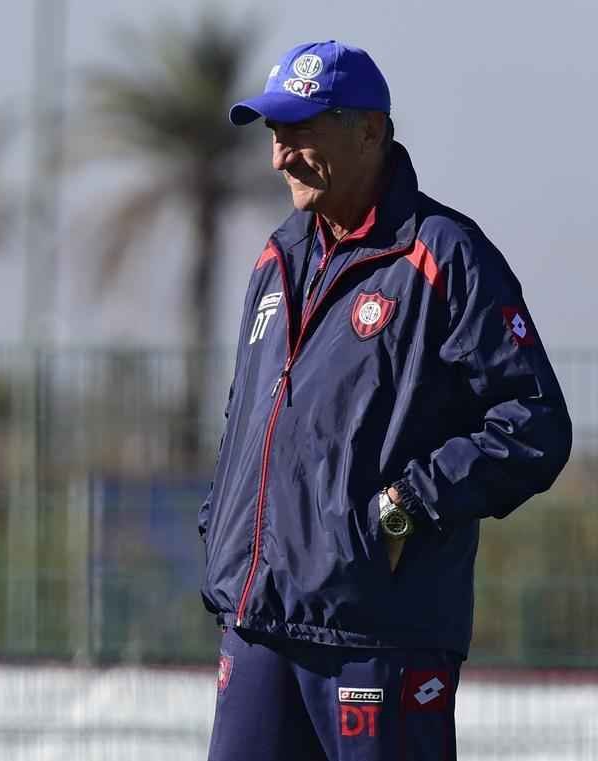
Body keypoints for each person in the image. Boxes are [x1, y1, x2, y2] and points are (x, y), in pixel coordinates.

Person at [200, 40, 572, 760]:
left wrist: (405, 506)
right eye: (275, 133)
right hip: (258, 626)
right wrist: (222, 525)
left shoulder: (445, 255)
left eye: (301, 131)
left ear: (369, 131)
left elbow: (534, 423)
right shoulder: (277, 258)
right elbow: (247, 417)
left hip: (379, 637)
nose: (280, 157)